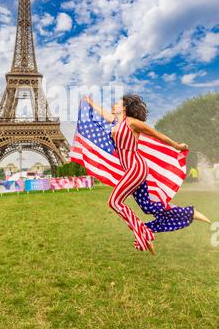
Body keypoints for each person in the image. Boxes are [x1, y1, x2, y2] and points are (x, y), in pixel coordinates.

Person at [85, 94, 210, 255]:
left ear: (124, 107)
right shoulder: (117, 122)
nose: (113, 104)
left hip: (136, 168)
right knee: (148, 206)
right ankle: (189, 213)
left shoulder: (132, 123)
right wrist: (89, 102)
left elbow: (156, 134)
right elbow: (102, 112)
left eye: (117, 103)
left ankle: (143, 233)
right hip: (131, 170)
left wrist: (177, 146)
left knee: (114, 202)